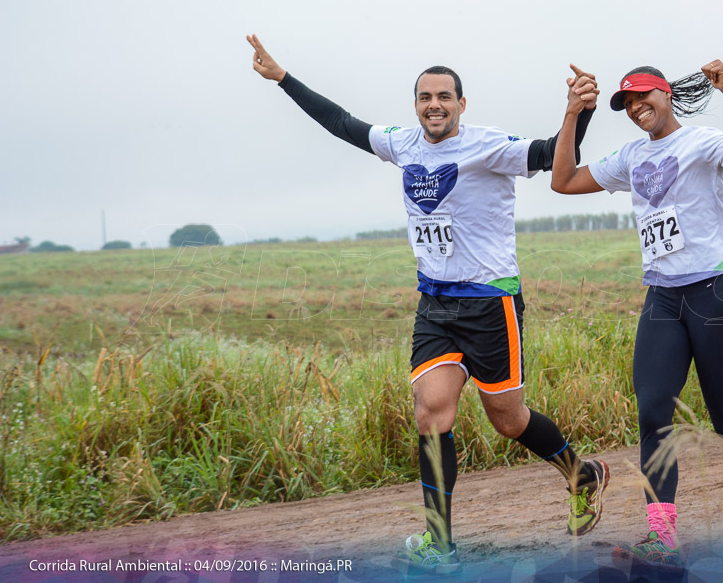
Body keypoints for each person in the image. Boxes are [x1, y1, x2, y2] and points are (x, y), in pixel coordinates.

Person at [246, 35, 610, 574]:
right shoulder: (402, 143)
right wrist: (283, 79)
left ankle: (582, 474)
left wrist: (580, 113)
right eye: (424, 97)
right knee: (430, 413)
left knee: (508, 422)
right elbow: (341, 122)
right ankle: (440, 542)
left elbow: (554, 153)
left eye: (444, 96)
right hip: (435, 304)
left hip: (491, 304)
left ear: (462, 103)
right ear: (415, 105)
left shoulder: (489, 146)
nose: (434, 105)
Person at [550, 61, 723, 565]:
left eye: (642, 96)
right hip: (663, 298)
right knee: (654, 412)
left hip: (716, 293)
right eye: (627, 103)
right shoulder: (631, 157)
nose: (636, 108)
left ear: (666, 94)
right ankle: (662, 534)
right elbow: (563, 181)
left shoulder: (701, 142)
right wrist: (572, 115)